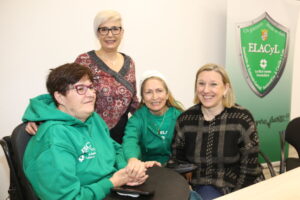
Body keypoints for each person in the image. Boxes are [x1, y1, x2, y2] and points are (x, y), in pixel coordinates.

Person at [22, 63, 150, 199]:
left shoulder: (92, 118)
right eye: (80, 89)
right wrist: (112, 183)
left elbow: (113, 148)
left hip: (110, 188)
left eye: (90, 87)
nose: (91, 94)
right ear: (60, 97)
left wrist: (127, 169)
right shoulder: (55, 138)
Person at [26, 10, 138, 144]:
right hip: (90, 131)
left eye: (115, 29)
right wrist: (38, 117)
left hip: (122, 134)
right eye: (104, 29)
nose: (110, 34)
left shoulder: (129, 62)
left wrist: (158, 115)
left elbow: (134, 101)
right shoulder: (84, 60)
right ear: (97, 33)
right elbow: (64, 93)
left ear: (122, 32)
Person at [170, 63, 264, 200]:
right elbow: (176, 160)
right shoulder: (185, 119)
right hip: (203, 186)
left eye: (213, 84)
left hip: (241, 185)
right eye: (201, 84)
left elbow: (249, 170)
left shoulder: (242, 119)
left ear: (226, 89)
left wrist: (237, 196)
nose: (206, 90)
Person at [122, 70, 184, 174]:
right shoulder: (137, 118)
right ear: (143, 98)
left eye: (159, 91)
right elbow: (130, 141)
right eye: (149, 92)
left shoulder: (179, 117)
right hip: (146, 169)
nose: (155, 97)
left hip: (174, 169)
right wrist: (132, 160)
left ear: (167, 94)